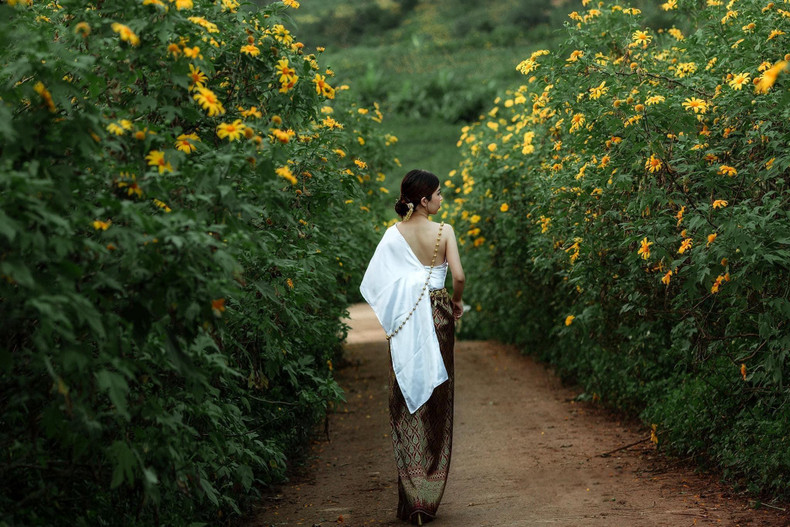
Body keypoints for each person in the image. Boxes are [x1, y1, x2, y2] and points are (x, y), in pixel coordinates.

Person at [360, 169, 465, 525]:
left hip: (406, 322)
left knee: (403, 400)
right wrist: (457, 301)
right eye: (437, 194)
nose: (441, 199)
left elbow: (376, 281)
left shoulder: (393, 236)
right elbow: (460, 277)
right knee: (438, 401)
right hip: (438, 316)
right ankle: (428, 496)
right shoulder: (444, 232)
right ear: (423, 200)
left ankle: (412, 493)